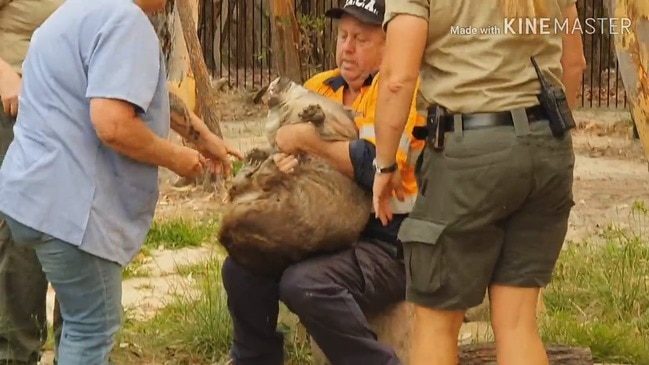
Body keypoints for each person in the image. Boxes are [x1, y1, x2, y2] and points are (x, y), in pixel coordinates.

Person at [0, 0, 241, 363]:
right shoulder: (125, 22)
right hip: (71, 210)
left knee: (78, 321)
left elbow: (133, 89)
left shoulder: (83, 10)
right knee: (91, 328)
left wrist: (199, 134)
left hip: (29, 196)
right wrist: (179, 160)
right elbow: (112, 124)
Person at [371, 1, 587, 365]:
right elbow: (574, 64)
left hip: (468, 153)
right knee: (517, 322)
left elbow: (396, 80)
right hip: (548, 146)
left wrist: (385, 163)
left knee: (435, 321)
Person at [220, 1, 424, 364]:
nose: (347, 48)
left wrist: (310, 143)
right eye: (343, 36)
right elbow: (284, 151)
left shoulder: (403, 91)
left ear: (390, 45)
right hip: (321, 227)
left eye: (361, 39)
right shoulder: (318, 88)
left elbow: (377, 168)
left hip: (390, 242)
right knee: (241, 266)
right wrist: (281, 166)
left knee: (307, 284)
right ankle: (256, 358)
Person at [0, 0, 64, 364]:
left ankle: (77, 349)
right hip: (17, 106)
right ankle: (15, 351)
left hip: (74, 105)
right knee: (23, 228)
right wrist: (5, 75)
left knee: (77, 228)